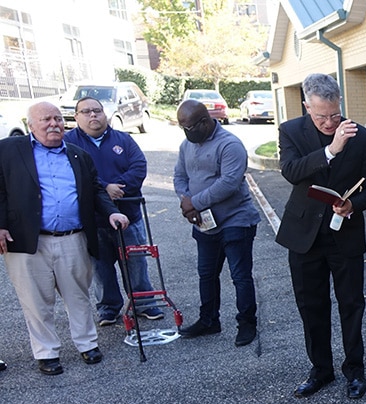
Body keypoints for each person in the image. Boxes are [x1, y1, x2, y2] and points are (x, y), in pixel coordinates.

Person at [0, 101, 129, 375]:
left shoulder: (78, 155)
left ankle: (87, 344)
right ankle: (46, 353)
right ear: (31, 125)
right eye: (46, 119)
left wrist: (112, 213)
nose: (54, 124)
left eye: (58, 119)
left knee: (77, 296)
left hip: (73, 238)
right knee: (36, 301)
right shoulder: (8, 150)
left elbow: (96, 190)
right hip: (27, 243)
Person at [276, 73, 366, 399]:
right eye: (321, 115)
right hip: (304, 234)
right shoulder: (291, 131)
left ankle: (355, 371)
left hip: (345, 234)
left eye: (335, 115)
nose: (329, 121)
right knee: (311, 306)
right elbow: (291, 172)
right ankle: (320, 369)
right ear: (307, 106)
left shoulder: (360, 137)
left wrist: (352, 205)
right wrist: (331, 150)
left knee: (352, 305)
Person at [64, 96, 164, 326]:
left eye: (97, 110)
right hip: (94, 219)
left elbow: (139, 167)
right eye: (86, 112)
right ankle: (109, 308)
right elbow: (71, 175)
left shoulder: (124, 140)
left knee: (136, 262)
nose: (93, 116)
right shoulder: (68, 143)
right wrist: (103, 189)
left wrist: (117, 187)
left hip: (128, 215)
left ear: (105, 113)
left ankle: (144, 303)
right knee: (101, 267)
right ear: (76, 116)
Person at [173, 100, 259, 347]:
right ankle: (209, 320)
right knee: (206, 274)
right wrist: (185, 200)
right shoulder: (186, 145)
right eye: (182, 128)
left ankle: (247, 324)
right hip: (204, 222)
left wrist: (194, 203)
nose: (186, 132)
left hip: (236, 220)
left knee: (240, 276)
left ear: (203, 121)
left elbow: (229, 184)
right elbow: (180, 176)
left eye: (188, 127)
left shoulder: (229, 145)